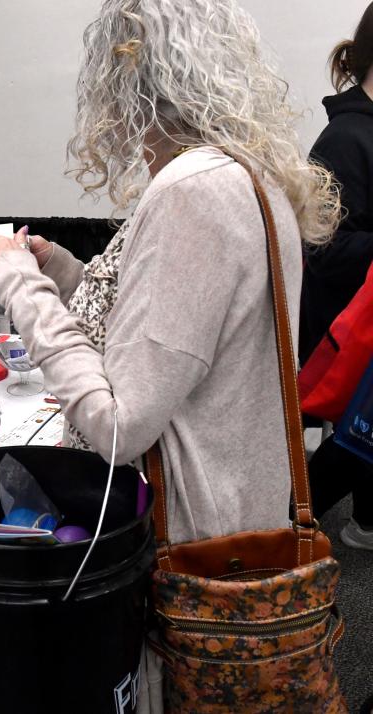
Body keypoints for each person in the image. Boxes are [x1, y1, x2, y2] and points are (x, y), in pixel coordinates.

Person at [0, 0, 338, 546]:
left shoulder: (193, 191)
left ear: (125, 83)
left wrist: (20, 284)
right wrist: (61, 270)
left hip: (186, 544)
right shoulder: (247, 174)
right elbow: (173, 330)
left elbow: (117, 425)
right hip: (236, 517)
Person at [302, 3, 373, 549]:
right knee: (355, 439)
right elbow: (324, 248)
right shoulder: (345, 139)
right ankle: (279, 530)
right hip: (349, 327)